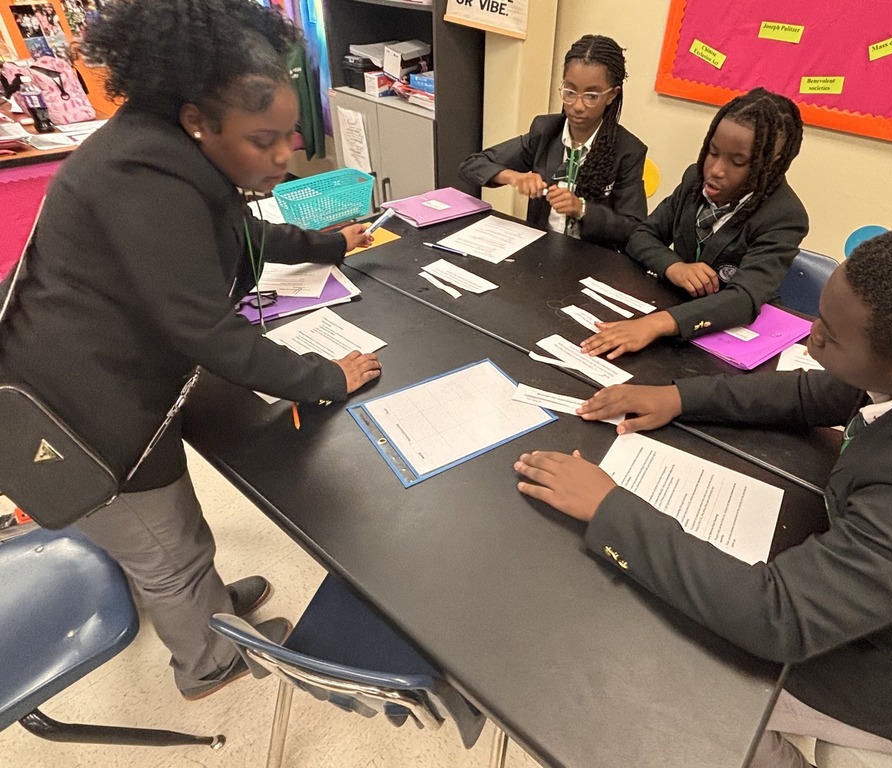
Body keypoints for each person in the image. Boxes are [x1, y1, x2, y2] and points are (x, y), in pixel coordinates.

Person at [514, 222, 892, 765]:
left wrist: (609, 507)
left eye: (828, 335)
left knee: (662, 675)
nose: (809, 338)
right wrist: (679, 397)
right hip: (888, 593)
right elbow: (816, 392)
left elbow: (779, 618)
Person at [0, 0, 381, 701]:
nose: (284, 154)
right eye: (264, 140)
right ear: (199, 120)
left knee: (179, 530)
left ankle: (208, 602)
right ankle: (207, 661)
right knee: (167, 551)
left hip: (115, 381)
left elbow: (235, 229)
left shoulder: (174, 148)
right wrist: (326, 377)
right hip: (75, 415)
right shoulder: (141, 177)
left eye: (288, 134)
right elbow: (207, 332)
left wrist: (329, 243)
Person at [581, 87, 807, 359]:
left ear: (771, 163)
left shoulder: (785, 216)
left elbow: (743, 299)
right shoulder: (695, 179)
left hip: (730, 337)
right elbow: (642, 235)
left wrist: (656, 324)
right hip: (672, 312)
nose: (716, 170)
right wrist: (674, 267)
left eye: (737, 162)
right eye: (713, 152)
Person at [459, 34, 647, 251]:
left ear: (612, 95)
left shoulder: (628, 150)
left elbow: (634, 228)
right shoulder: (546, 131)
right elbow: (472, 165)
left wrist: (582, 209)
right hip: (541, 253)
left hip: (592, 260)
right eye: (570, 91)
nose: (577, 105)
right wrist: (514, 176)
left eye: (591, 96)